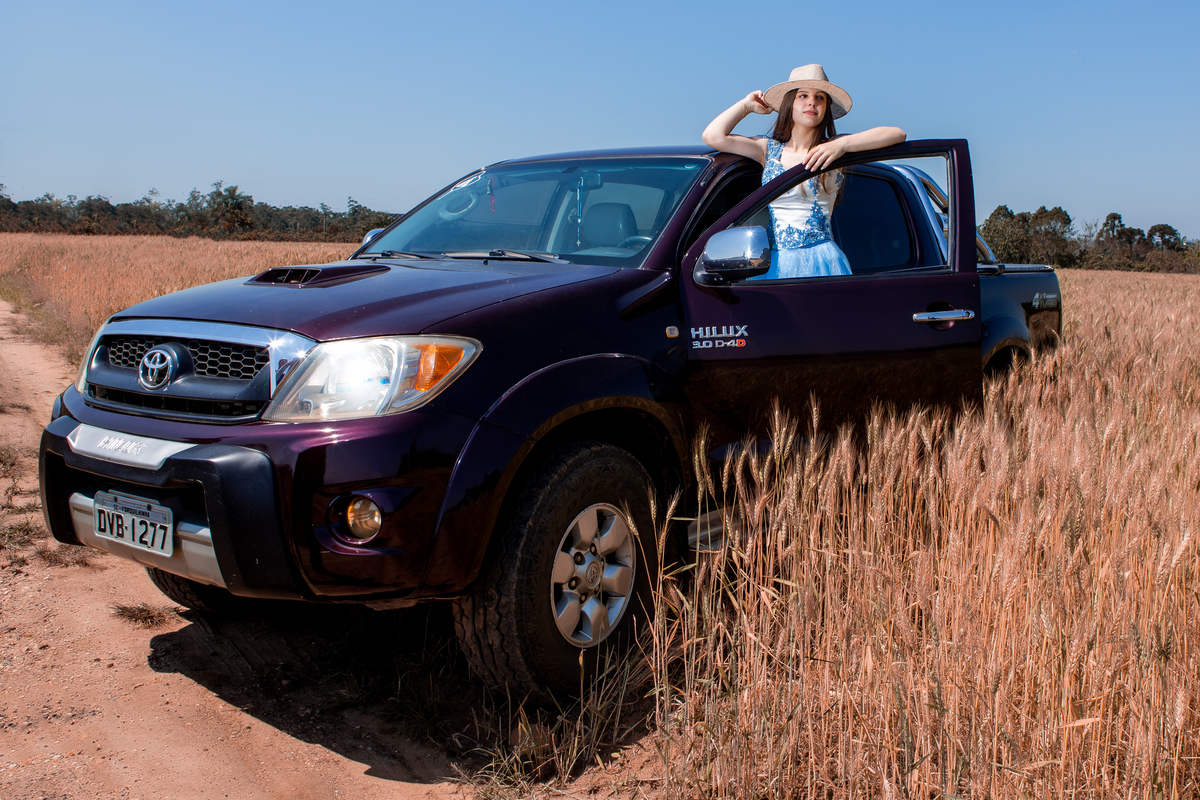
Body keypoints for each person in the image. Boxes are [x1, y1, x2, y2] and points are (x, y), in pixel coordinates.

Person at [701, 64, 906, 279]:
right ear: (790, 103)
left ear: (826, 107)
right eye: (803, 95)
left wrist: (842, 144)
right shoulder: (768, 149)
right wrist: (746, 106)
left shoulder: (834, 148)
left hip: (821, 260)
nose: (812, 102)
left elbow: (897, 134)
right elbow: (713, 136)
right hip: (774, 263)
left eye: (820, 98)